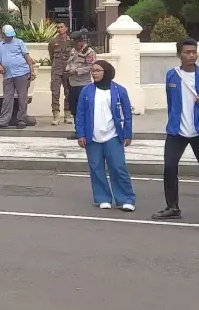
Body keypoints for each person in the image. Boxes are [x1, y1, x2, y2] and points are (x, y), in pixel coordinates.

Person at [152, 38, 199, 220]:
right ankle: (172, 207)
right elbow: (171, 101)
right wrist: (173, 120)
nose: (191, 55)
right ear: (179, 54)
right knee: (169, 167)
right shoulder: (172, 75)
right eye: (187, 52)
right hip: (176, 131)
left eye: (194, 52)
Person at [74, 60, 136, 211]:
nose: (94, 73)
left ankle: (125, 199)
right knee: (96, 168)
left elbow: (127, 114)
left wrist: (127, 133)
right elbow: (80, 113)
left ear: (106, 72)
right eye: (93, 71)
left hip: (113, 135)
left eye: (97, 70)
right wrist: (80, 134)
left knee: (118, 167)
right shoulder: (87, 91)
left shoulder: (119, 90)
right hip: (92, 137)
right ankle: (102, 198)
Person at [0, 24, 36, 129]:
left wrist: (32, 71)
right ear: (3, 34)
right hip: (8, 75)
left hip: (22, 73)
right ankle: (3, 121)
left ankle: (21, 120)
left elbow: (27, 57)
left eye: (11, 35)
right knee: (7, 98)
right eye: (8, 35)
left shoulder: (19, 42)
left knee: (22, 98)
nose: (10, 37)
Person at [64, 30, 97, 133]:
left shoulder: (89, 52)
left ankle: (86, 130)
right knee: (74, 109)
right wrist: (68, 69)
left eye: (76, 42)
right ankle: (78, 130)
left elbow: (91, 66)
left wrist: (77, 71)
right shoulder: (73, 51)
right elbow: (69, 62)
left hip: (83, 84)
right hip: (72, 83)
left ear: (81, 41)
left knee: (84, 109)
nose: (74, 45)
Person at [47, 19, 71, 125]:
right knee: (55, 92)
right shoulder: (53, 42)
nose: (59, 29)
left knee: (68, 93)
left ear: (66, 28)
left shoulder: (72, 42)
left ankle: (67, 114)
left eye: (61, 27)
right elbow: (51, 56)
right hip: (56, 70)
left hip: (68, 70)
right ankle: (56, 115)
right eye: (58, 27)